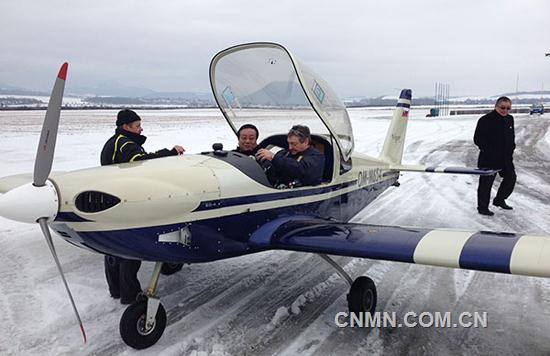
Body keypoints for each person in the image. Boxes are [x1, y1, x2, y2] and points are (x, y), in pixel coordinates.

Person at [100, 109, 185, 304]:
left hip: (111, 200)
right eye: (137, 126)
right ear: (125, 127)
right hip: (125, 201)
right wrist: (170, 153)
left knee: (112, 247)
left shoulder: (114, 142)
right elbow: (140, 163)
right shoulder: (125, 143)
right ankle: (130, 295)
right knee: (129, 250)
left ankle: (116, 290)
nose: (141, 129)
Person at [474, 96, 516, 216]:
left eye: (508, 108)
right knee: (486, 185)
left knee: (511, 178)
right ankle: (482, 208)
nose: (505, 110)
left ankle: (499, 200)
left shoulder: (510, 119)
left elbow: (511, 136)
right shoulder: (485, 120)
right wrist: (489, 150)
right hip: (489, 159)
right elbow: (478, 139)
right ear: (496, 106)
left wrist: (512, 147)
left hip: (505, 159)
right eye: (502, 107)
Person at [256, 124, 324, 187]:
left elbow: (302, 170)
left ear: (306, 142)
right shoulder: (285, 153)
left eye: (294, 144)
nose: (290, 147)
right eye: (289, 143)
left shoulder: (316, 157)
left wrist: (274, 158)